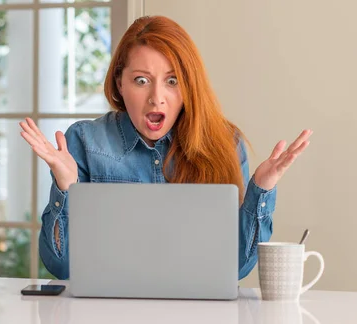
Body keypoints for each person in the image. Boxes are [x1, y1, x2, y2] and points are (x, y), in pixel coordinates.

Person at [19, 15, 311, 280]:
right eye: (141, 80)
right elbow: (60, 266)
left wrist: (262, 187)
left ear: (188, 86)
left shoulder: (224, 144)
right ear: (119, 83)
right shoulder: (84, 142)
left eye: (172, 81)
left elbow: (237, 268)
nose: (156, 97)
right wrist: (66, 187)